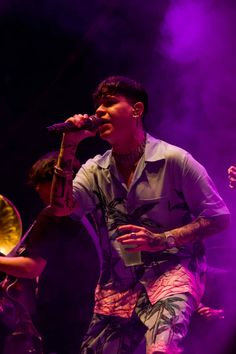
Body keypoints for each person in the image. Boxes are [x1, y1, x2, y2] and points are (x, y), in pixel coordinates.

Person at [49, 75, 230, 354]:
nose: (98, 111)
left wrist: (161, 240)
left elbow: (219, 218)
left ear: (136, 110)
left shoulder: (174, 160)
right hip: (118, 286)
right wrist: (68, 145)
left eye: (109, 103)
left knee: (162, 348)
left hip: (173, 274)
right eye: (97, 106)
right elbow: (61, 208)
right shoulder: (93, 170)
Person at [0, 151, 100, 354]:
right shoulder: (88, 213)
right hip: (88, 313)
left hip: (63, 318)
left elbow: (31, 267)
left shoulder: (54, 215)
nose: (37, 188)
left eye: (42, 181)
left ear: (58, 182)